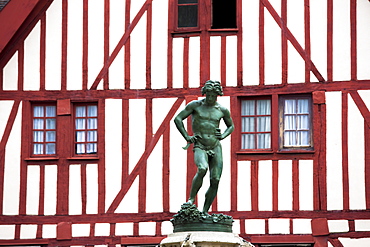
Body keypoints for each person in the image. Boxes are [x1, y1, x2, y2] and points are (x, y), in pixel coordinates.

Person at [174, 80, 234, 213]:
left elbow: (231, 126)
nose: (211, 98)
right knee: (202, 168)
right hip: (200, 144)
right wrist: (187, 136)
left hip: (215, 145)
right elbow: (178, 119)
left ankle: (205, 211)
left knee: (215, 179)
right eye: (208, 95)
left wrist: (223, 135)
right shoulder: (195, 105)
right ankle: (191, 199)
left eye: (213, 95)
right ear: (205, 93)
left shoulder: (222, 110)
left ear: (217, 95)